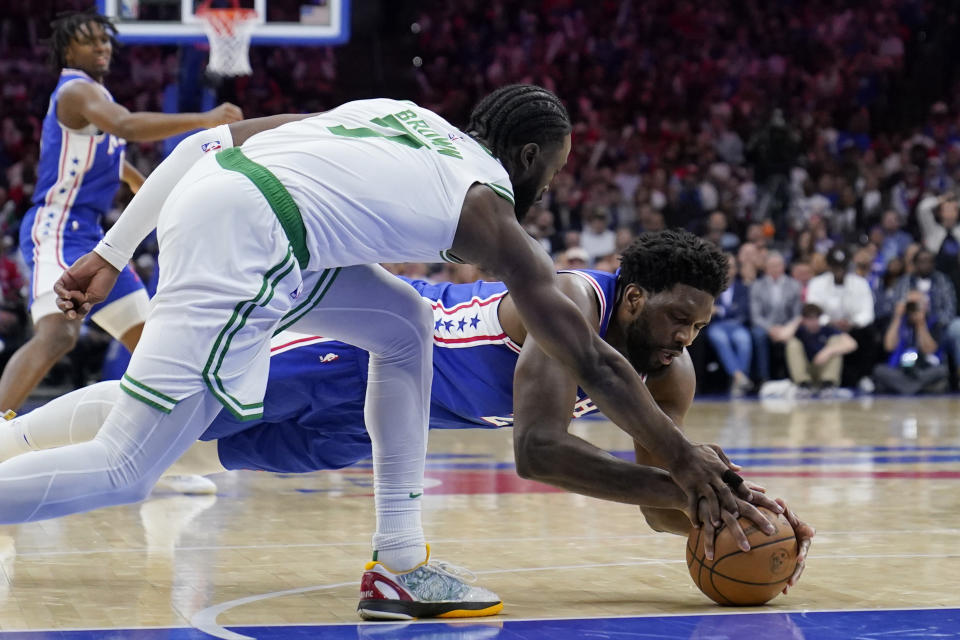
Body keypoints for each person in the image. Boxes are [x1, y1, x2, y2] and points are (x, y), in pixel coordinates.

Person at [3, 86, 759, 617]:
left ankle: (398, 561)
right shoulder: (491, 211)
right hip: (253, 235)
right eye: (554, 172)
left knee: (404, 324)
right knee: (128, 467)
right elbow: (592, 366)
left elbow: (207, 144)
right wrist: (687, 465)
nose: (550, 187)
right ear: (526, 157)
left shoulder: (405, 117)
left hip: (254, 219)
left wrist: (112, 249)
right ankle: (397, 564)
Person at [2, 232, 812, 596]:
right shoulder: (567, 303)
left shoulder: (669, 379)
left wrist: (728, 511)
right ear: (633, 298)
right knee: (180, 415)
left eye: (700, 325)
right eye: (678, 318)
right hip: (354, 346)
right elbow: (539, 453)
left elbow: (655, 507)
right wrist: (687, 482)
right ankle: (12, 436)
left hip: (387, 410)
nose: (686, 337)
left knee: (222, 449)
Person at [0, 10, 241, 413]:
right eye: (90, 40)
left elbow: (107, 147)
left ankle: (167, 454)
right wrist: (206, 119)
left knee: (151, 347)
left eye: (105, 39)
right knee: (59, 334)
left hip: (92, 234)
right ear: (67, 50)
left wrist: (133, 179)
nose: (101, 46)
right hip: (57, 226)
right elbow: (126, 127)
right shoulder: (76, 91)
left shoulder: (98, 97)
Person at [806, 247, 876, 389]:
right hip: (826, 329)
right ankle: (821, 379)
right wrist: (829, 322)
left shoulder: (860, 283)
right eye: (835, 266)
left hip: (853, 329)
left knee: (869, 333)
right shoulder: (816, 283)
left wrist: (853, 323)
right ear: (829, 266)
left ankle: (863, 377)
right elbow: (811, 311)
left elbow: (868, 313)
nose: (839, 270)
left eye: (842, 266)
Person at [872, 291, 949, 394]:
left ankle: (906, 387)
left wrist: (921, 324)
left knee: (942, 370)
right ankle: (915, 387)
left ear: (925, 306)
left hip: (923, 369)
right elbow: (888, 346)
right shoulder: (899, 321)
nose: (912, 308)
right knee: (878, 370)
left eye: (916, 304)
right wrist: (897, 317)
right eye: (910, 304)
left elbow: (930, 350)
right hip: (900, 370)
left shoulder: (933, 322)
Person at [749, 251, 803, 383]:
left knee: (798, 335)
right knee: (758, 335)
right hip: (765, 326)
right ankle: (763, 378)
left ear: (783, 266)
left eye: (778, 265)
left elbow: (797, 314)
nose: (775, 268)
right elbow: (755, 316)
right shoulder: (757, 286)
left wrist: (786, 329)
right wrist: (771, 329)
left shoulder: (794, 285)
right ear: (766, 268)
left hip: (787, 326)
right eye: (772, 265)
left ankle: (794, 378)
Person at [782, 303, 857, 397]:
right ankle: (803, 385)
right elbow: (783, 337)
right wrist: (797, 321)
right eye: (809, 318)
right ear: (804, 319)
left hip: (823, 370)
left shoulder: (828, 330)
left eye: (816, 318)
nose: (813, 322)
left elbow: (852, 344)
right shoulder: (799, 331)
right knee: (792, 343)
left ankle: (828, 384)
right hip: (806, 370)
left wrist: (828, 351)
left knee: (836, 342)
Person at [706, 254, 753, 396]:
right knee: (720, 339)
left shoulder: (743, 288)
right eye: (724, 266)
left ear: (736, 270)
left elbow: (742, 310)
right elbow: (708, 309)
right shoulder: (711, 288)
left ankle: (737, 380)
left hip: (736, 325)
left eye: (731, 267)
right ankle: (740, 377)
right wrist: (727, 310)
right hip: (717, 326)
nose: (728, 270)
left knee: (744, 340)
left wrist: (720, 310)